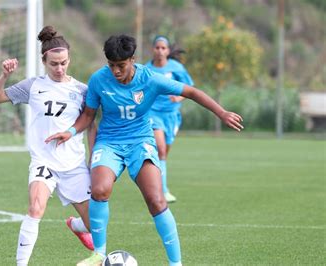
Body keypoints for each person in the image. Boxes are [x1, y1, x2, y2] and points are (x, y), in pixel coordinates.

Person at [46, 34, 243, 266]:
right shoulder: (99, 80)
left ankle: (175, 263)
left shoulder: (150, 79)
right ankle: (99, 254)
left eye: (120, 65)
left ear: (132, 59)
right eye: (111, 65)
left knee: (157, 201)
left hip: (140, 141)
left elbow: (191, 92)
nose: (115, 71)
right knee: (99, 190)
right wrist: (70, 131)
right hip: (109, 142)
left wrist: (221, 113)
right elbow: (88, 115)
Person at [0, 26, 97, 266]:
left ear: (69, 59)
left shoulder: (81, 90)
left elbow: (90, 124)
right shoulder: (32, 86)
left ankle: (77, 226)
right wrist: (4, 76)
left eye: (64, 63)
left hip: (73, 165)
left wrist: (93, 159)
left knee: (95, 224)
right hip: (43, 161)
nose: (59, 69)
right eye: (54, 64)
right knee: (36, 208)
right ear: (44, 61)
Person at [146, 35, 194, 203]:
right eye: (157, 47)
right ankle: (163, 191)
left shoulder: (177, 68)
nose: (159, 51)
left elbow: (190, 88)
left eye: (163, 48)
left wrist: (178, 98)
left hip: (172, 115)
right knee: (159, 149)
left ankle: (161, 185)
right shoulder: (147, 69)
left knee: (164, 152)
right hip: (153, 113)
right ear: (152, 49)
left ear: (167, 51)